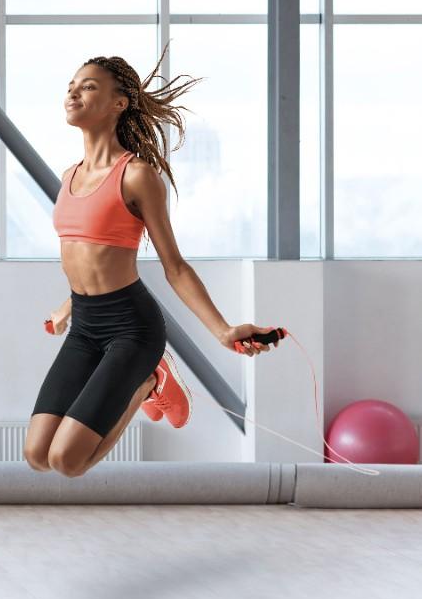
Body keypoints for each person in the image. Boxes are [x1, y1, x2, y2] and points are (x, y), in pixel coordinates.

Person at [26, 45, 277, 478]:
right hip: (85, 324)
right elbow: (85, 258)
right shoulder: (69, 176)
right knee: (36, 455)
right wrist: (67, 308)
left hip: (131, 328)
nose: (73, 94)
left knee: (67, 461)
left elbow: (174, 266)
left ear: (118, 104)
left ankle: (148, 383)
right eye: (70, 87)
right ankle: (145, 382)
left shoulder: (137, 175)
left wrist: (223, 331)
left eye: (88, 87)